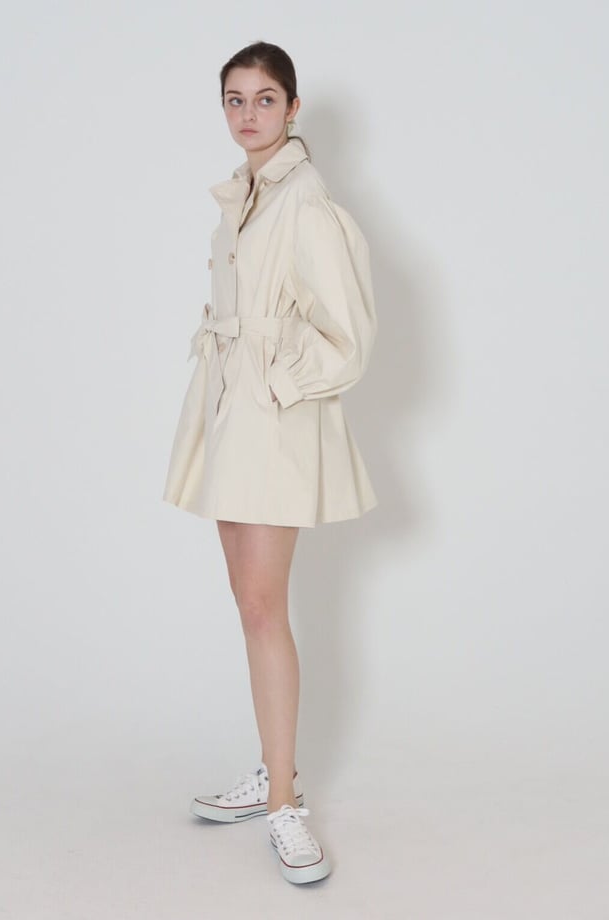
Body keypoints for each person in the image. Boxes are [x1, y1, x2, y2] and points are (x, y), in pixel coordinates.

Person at [163, 40, 377, 885]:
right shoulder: (247, 194)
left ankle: (285, 803)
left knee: (262, 608)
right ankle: (274, 772)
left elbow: (349, 335)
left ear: (292, 108)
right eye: (234, 99)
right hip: (230, 415)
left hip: (271, 421)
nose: (248, 114)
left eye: (264, 99)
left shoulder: (305, 201)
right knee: (251, 604)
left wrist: (280, 387)